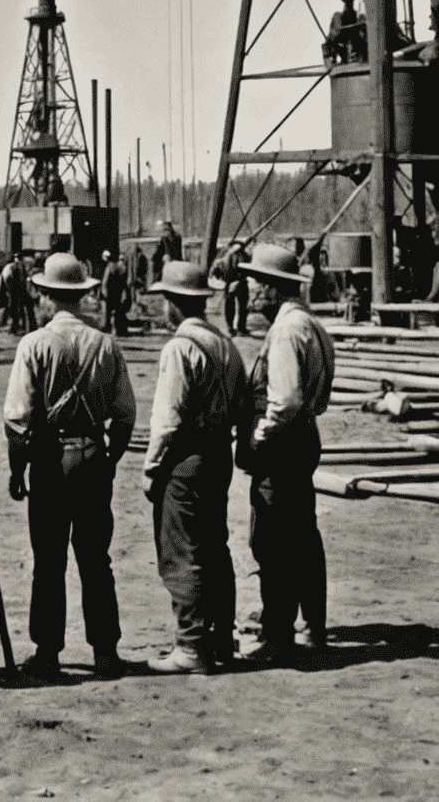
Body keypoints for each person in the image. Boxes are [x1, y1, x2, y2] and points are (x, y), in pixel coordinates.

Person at [4, 252, 136, 680]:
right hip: (94, 454)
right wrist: (111, 456)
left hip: (49, 460)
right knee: (96, 559)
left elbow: (18, 418)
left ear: (46, 296)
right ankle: (105, 652)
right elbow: (126, 413)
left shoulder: (34, 344)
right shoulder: (105, 343)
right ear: (80, 296)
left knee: (49, 559)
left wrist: (16, 469)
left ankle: (47, 653)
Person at [142, 260, 253, 674]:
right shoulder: (227, 346)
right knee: (215, 547)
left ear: (174, 304)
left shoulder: (179, 348)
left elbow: (167, 419)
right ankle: (222, 640)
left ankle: (190, 645)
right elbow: (243, 407)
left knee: (182, 550)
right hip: (218, 455)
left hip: (186, 459)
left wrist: (152, 469)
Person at [238, 243, 335, 662]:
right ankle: (312, 626)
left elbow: (287, 399)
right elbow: (317, 398)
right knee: (303, 537)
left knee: (274, 540)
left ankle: (278, 637)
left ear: (273, 286)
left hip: (282, 445)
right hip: (304, 439)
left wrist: (259, 438)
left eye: (257, 280)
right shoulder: (312, 325)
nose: (251, 288)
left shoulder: (285, 331)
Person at [99, 250, 131, 337]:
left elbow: (105, 283)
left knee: (108, 314)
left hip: (110, 295)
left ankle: (110, 331)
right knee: (115, 313)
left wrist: (105, 295)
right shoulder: (118, 267)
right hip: (116, 294)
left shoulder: (110, 267)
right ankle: (115, 331)